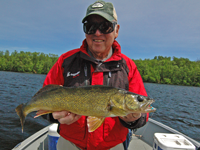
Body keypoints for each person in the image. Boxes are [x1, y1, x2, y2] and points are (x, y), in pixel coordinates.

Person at [43, 0, 149, 150]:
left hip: (112, 146)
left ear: (116, 30)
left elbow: (142, 117)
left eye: (105, 26)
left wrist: (134, 119)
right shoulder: (65, 61)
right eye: (90, 27)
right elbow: (43, 100)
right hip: (69, 144)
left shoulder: (128, 67)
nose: (97, 33)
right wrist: (52, 116)